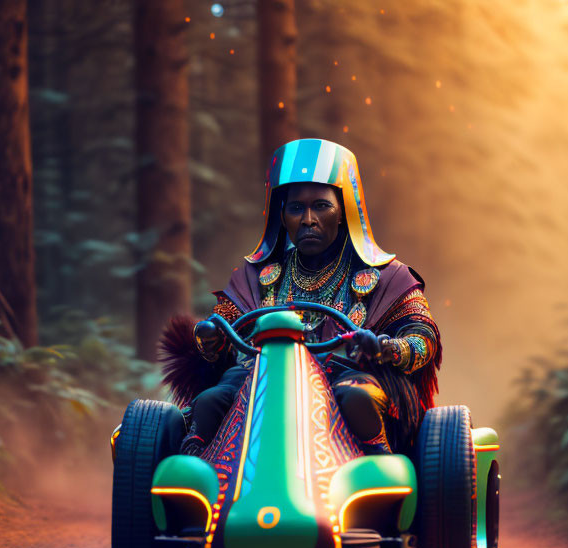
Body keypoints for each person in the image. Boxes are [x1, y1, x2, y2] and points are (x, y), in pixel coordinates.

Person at [160, 138, 441, 457]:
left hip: (349, 382)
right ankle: (193, 468)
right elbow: (223, 336)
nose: (308, 219)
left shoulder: (391, 276)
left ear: (343, 211)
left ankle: (381, 470)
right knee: (211, 400)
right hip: (260, 382)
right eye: (296, 208)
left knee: (358, 398)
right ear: (282, 215)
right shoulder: (253, 277)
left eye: (321, 205)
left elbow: (424, 336)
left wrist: (390, 348)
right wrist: (210, 340)